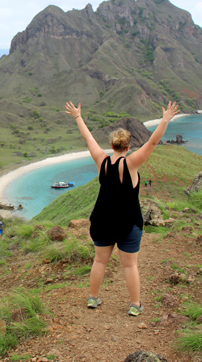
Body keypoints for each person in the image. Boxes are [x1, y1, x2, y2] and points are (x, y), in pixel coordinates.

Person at [64, 100, 180, 316]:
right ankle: (135, 305)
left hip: (102, 221)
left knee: (100, 261)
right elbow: (152, 143)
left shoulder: (102, 161)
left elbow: (88, 138)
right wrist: (165, 120)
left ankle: (93, 298)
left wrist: (78, 116)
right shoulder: (132, 162)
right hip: (128, 223)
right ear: (128, 147)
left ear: (112, 145)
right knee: (129, 266)